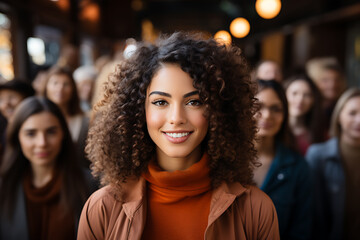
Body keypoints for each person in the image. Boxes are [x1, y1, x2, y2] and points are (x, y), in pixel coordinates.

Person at [78, 32, 280, 239]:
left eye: (194, 102)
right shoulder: (102, 208)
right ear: (139, 111)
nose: (176, 118)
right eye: (160, 102)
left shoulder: (256, 210)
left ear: (219, 111)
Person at [0, 96, 97, 240]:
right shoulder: (4, 186)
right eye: (31, 134)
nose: (42, 143)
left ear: (63, 134)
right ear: (17, 137)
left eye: (51, 132)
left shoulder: (90, 184)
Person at [253, 79, 313, 239]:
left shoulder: (297, 167)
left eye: (276, 109)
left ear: (284, 115)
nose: (267, 115)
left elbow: (302, 230)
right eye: (258, 107)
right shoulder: (224, 160)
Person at [306, 88, 360, 240]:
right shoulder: (318, 156)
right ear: (339, 117)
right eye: (352, 113)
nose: (359, 120)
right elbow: (314, 215)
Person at [43, 67, 90, 168]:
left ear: (73, 89)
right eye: (55, 83)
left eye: (66, 84)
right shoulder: (37, 120)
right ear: (46, 87)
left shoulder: (85, 122)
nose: (60, 88)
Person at [283, 73, 326, 155]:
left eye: (307, 95)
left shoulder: (320, 133)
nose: (300, 100)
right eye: (294, 93)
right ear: (284, 96)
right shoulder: (274, 131)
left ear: (313, 101)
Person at [0, 79, 35, 164]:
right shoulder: (2, 125)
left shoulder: (35, 127)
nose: (6, 104)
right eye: (1, 99)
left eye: (12, 97)